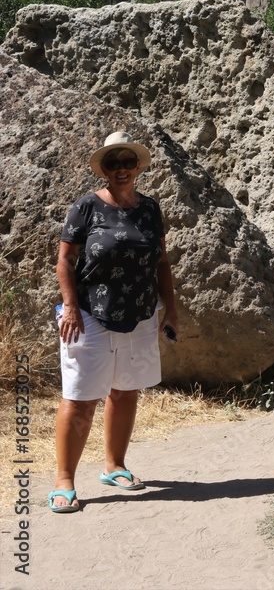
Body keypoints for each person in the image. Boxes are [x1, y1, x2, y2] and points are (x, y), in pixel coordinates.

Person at [49, 131, 179, 513]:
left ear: (138, 166)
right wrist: (70, 307)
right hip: (90, 316)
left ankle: (114, 465)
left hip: (139, 315)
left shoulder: (150, 208)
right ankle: (64, 481)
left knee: (125, 391)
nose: (121, 169)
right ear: (104, 169)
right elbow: (65, 261)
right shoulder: (86, 207)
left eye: (127, 162)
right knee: (80, 399)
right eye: (113, 163)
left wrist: (169, 309)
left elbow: (161, 263)